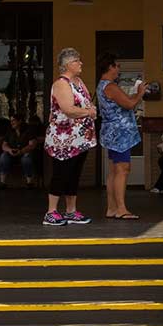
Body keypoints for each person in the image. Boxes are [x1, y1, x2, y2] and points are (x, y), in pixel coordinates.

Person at [43, 48, 98, 226]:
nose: (81, 63)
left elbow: (84, 104)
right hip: (64, 139)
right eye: (77, 61)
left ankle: (71, 211)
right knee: (61, 172)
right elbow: (68, 109)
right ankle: (51, 212)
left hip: (80, 138)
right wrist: (88, 112)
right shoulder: (61, 84)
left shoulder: (79, 81)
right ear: (67, 64)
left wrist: (91, 111)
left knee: (74, 173)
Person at [94, 53, 147, 220]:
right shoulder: (110, 86)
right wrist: (139, 93)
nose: (119, 69)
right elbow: (130, 104)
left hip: (111, 132)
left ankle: (111, 208)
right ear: (110, 67)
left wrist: (133, 95)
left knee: (114, 171)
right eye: (117, 66)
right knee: (123, 169)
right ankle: (121, 209)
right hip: (120, 134)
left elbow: (124, 102)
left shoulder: (103, 86)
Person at [2, 115, 42, 188]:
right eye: (10, 121)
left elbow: (32, 145)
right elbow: (4, 145)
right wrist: (9, 150)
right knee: (4, 156)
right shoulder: (10, 131)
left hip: (24, 153)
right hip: (12, 153)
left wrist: (21, 151)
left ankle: (29, 182)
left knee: (26, 158)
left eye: (13, 120)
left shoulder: (28, 130)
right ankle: (2, 182)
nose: (11, 123)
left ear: (20, 121)